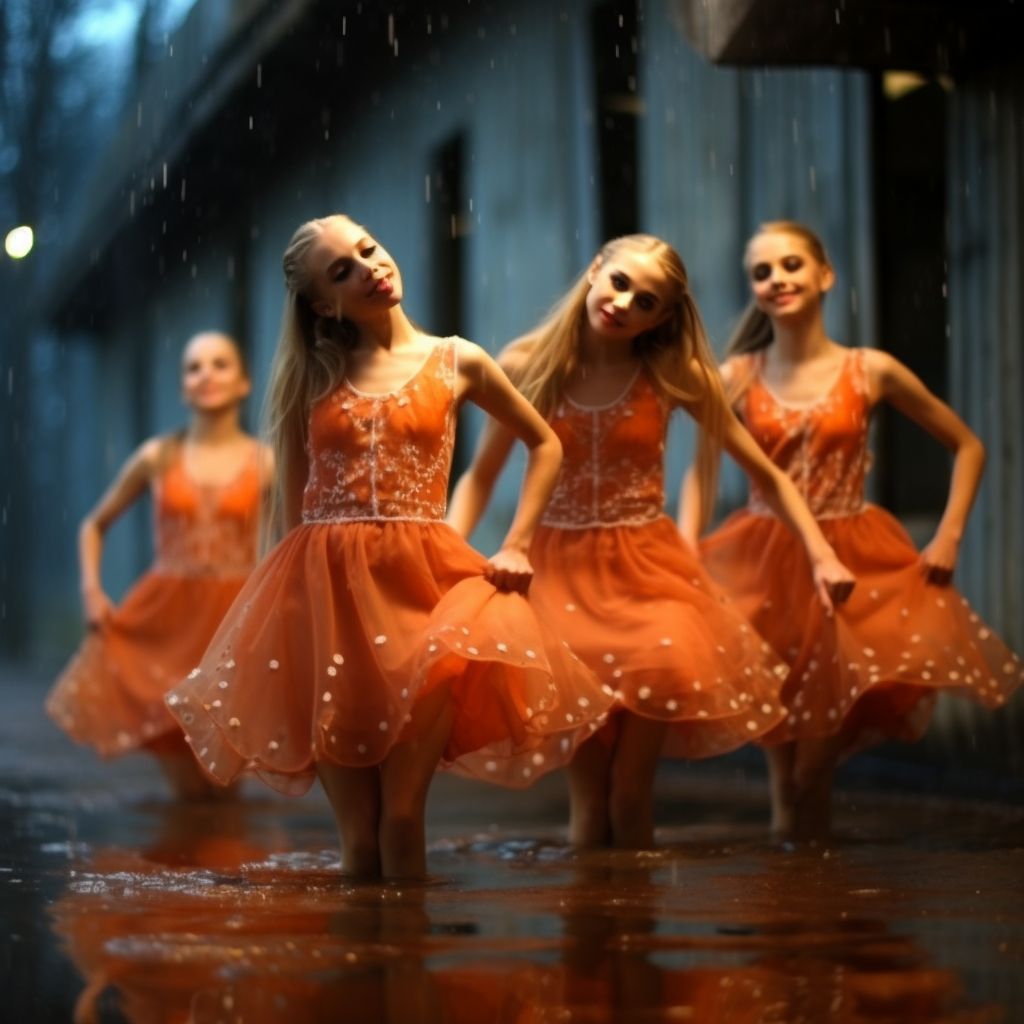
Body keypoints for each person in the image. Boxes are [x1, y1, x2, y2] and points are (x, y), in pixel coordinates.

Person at [163, 214, 615, 879]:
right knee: (361, 842)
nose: (369, 266)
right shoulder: (309, 377)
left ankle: (406, 975)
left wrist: (517, 544)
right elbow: (290, 512)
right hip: (328, 604)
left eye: (368, 248)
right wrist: (283, 623)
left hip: (425, 598)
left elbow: (546, 443)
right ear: (323, 302)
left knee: (403, 821)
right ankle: (367, 976)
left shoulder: (457, 358)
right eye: (341, 270)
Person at [447, 234, 854, 850]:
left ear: (663, 317)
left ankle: (634, 942)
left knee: (631, 794)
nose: (624, 303)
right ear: (594, 270)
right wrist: (447, 554)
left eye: (646, 301)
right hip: (555, 577)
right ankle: (590, 939)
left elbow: (767, 473)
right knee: (589, 797)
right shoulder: (527, 362)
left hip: (648, 574)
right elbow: (479, 476)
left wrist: (823, 556)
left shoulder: (671, 372)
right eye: (619, 283)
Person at [681, 220, 1023, 840]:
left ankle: (808, 905)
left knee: (813, 773)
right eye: (762, 272)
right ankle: (795, 920)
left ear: (824, 275)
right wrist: (684, 548)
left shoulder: (872, 369)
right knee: (783, 776)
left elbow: (968, 446)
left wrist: (948, 535)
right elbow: (700, 473)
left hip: (849, 563)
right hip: (760, 566)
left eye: (790, 265)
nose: (777, 279)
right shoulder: (736, 375)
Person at [46, 332, 274, 800]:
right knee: (186, 782)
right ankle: (188, 860)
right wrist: (92, 591)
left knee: (223, 773)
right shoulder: (158, 456)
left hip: (230, 625)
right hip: (165, 621)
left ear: (244, 383)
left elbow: (291, 538)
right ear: (182, 387)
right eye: (193, 367)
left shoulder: (266, 462)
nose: (206, 374)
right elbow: (93, 525)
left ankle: (223, 864)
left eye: (220, 364)